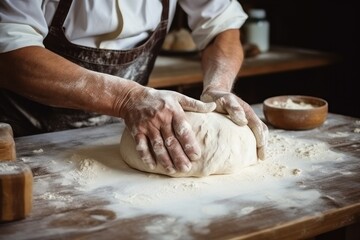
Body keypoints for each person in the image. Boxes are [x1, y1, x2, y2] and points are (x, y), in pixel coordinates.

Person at [0, 0, 268, 174]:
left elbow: (221, 26)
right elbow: (10, 53)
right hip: (25, 141)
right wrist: (126, 98)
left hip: (125, 132)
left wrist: (218, 85)